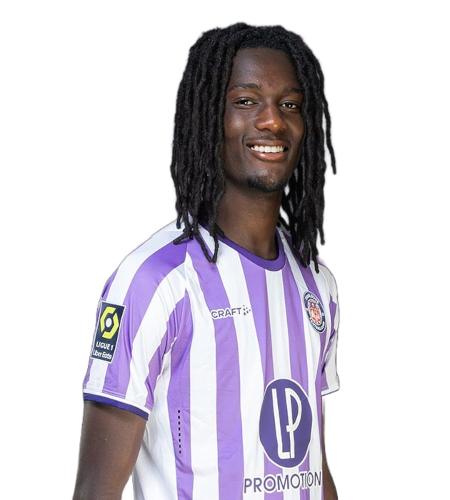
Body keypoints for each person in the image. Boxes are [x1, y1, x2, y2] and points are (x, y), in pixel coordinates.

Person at [72, 20, 341, 500]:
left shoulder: (316, 282)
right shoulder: (155, 280)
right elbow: (96, 491)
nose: (272, 121)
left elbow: (313, 464)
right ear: (207, 117)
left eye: (290, 104)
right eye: (246, 101)